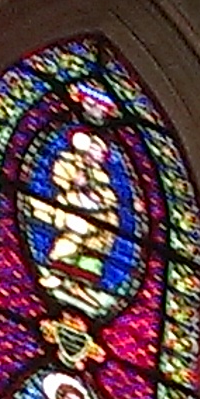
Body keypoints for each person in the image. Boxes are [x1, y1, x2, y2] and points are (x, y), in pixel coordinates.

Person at [27, 129, 121, 301]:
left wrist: (100, 199)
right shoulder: (68, 161)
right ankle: (57, 273)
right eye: (93, 148)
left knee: (95, 247)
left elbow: (109, 199)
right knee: (74, 234)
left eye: (100, 152)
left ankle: (82, 284)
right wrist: (76, 184)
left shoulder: (102, 176)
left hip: (98, 217)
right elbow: (60, 178)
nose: (96, 154)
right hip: (73, 206)